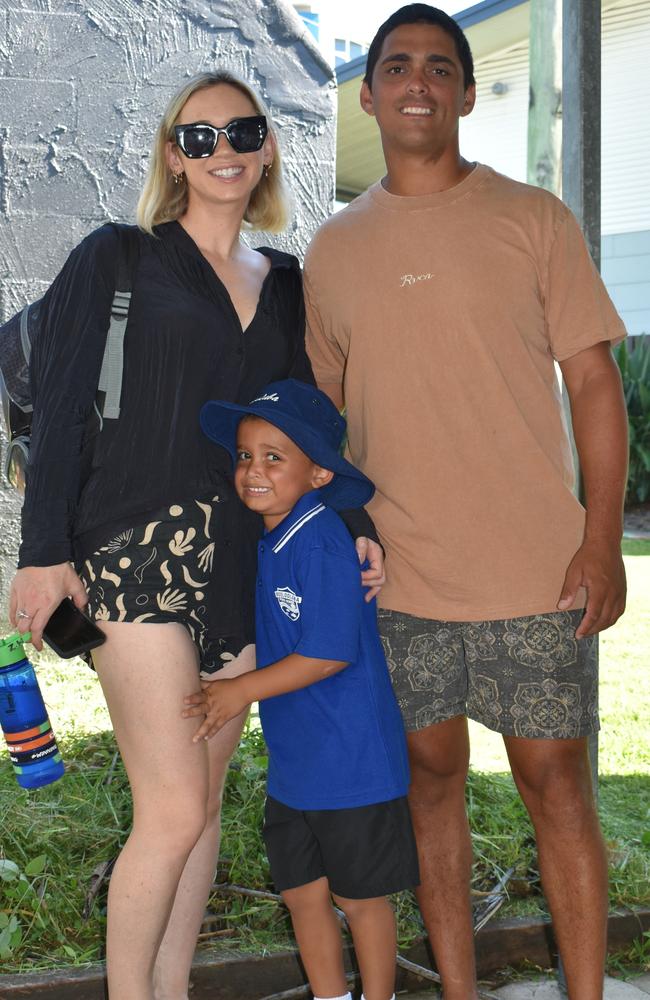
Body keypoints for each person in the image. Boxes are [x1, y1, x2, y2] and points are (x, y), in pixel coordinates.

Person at [9, 72, 382, 1000]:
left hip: (244, 568)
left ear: (265, 149)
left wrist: (354, 518)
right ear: (175, 156)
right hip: (130, 554)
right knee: (172, 807)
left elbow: (306, 428)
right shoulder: (119, 256)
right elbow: (59, 409)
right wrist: (42, 552)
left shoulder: (287, 282)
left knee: (204, 807)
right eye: (199, 136)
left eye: (241, 132)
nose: (223, 150)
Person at [303, 6, 629, 1000]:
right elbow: (322, 422)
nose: (416, 82)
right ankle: (454, 991)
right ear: (366, 94)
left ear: (462, 91)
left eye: (437, 67)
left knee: (556, 790)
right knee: (429, 789)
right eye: (394, 65)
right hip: (399, 584)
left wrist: (602, 542)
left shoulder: (533, 219)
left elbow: (594, 388)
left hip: (537, 573)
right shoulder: (332, 250)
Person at [184, 378, 419, 1000]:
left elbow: (330, 653)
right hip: (297, 766)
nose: (252, 470)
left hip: (352, 760)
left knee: (359, 899)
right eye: (244, 455)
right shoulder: (274, 538)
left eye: (273, 457)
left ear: (319, 474)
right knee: (301, 893)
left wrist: (240, 691)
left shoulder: (319, 540)